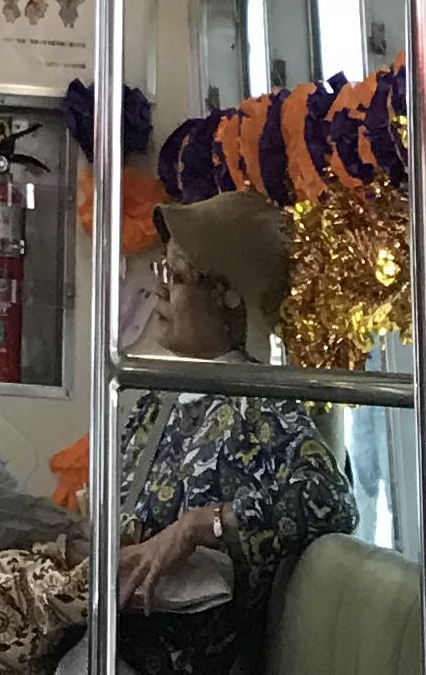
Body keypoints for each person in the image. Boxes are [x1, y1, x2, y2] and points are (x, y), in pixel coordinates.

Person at [116, 194, 354, 624]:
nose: (159, 289)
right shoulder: (157, 401)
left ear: (226, 296)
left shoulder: (262, 403)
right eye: (161, 271)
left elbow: (330, 500)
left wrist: (201, 526)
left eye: (177, 276)